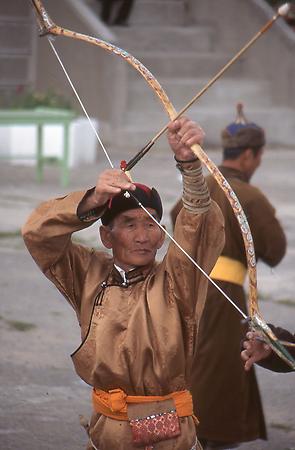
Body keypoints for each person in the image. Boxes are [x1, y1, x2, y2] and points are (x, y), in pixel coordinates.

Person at [22, 117, 225, 450]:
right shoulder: (88, 274)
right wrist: (92, 199)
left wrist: (189, 164)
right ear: (106, 235)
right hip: (108, 434)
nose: (143, 236)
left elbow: (198, 228)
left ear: (162, 236)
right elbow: (37, 234)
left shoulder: (177, 280)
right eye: (129, 224)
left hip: (169, 435)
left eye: (150, 224)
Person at [170, 104, 287, 450]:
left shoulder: (197, 187)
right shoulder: (249, 196)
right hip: (225, 297)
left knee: (191, 364)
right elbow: (276, 250)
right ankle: (201, 435)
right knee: (219, 370)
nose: (258, 161)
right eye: (260, 155)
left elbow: (178, 222)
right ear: (250, 155)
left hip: (189, 289)